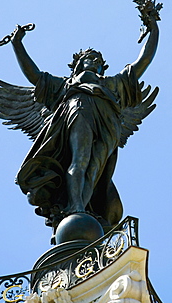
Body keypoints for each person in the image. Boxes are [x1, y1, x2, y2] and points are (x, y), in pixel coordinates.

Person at [9, 15, 159, 229]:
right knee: (80, 159)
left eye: (99, 61)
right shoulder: (63, 84)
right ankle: (75, 206)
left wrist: (153, 28)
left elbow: (143, 62)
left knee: (95, 168)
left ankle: (82, 209)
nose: (96, 62)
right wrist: (17, 43)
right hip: (79, 110)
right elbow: (34, 75)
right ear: (78, 63)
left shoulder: (113, 84)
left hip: (109, 122)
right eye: (91, 58)